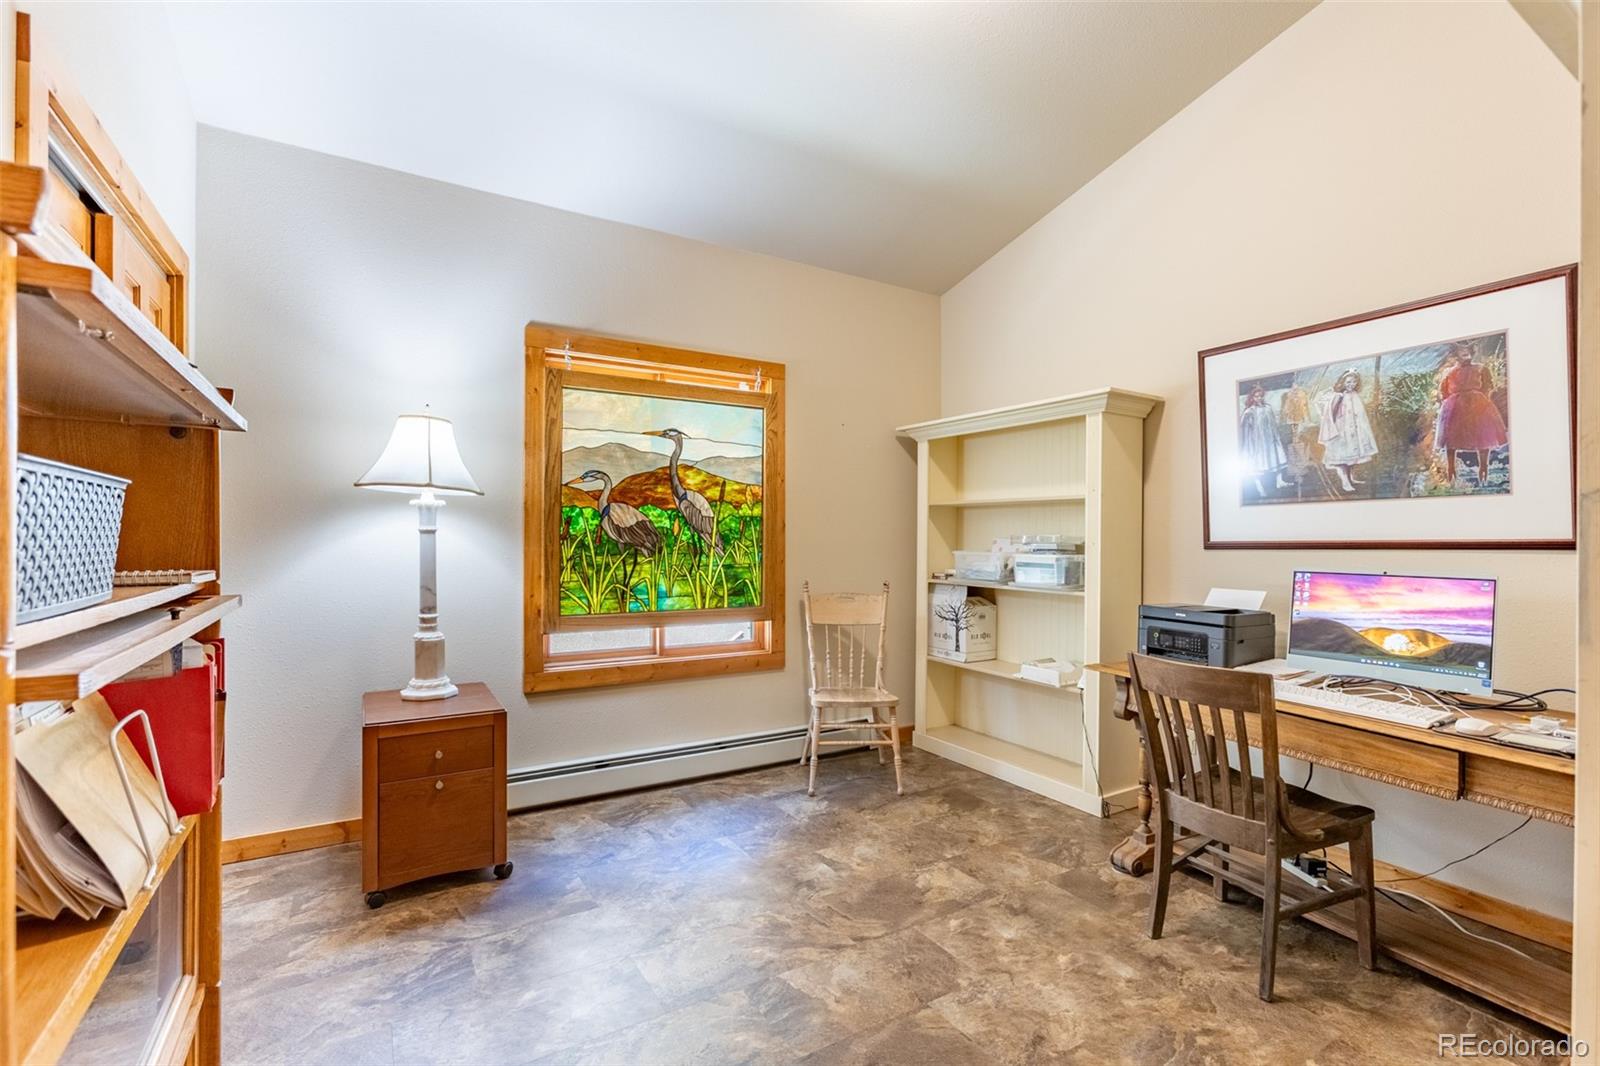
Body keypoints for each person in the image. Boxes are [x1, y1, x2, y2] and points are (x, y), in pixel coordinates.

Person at [1435, 343, 1508, 487]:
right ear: (1455, 355)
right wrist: (1451, 403)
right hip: (1455, 406)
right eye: (1462, 351)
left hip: (1477, 404)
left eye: (1467, 351)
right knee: (1452, 437)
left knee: (1482, 436)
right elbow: (1444, 391)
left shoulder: (1480, 368)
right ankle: (1451, 469)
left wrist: (1481, 402)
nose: (1465, 354)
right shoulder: (1449, 372)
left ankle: (1483, 468)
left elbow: (1487, 386)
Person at [1315, 369, 1378, 493]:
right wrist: (1334, 431)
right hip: (1341, 431)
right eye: (1348, 382)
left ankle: (1351, 477)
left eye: (1354, 382)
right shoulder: (1338, 396)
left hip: (1354, 430)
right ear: (1342, 382)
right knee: (1342, 458)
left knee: (1352, 457)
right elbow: (1330, 415)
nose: (1351, 385)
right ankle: (1345, 480)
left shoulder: (1354, 395)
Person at [1239, 383, 1290, 497]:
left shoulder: (1268, 408)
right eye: (1256, 396)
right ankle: (1259, 486)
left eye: (1261, 396)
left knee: (1275, 457)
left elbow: (1273, 423)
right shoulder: (1249, 411)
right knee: (1257, 463)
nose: (1259, 398)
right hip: (1257, 441)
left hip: (1270, 439)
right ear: (1252, 398)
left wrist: (1275, 436)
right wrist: (1249, 442)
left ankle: (1279, 481)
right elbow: (1243, 427)